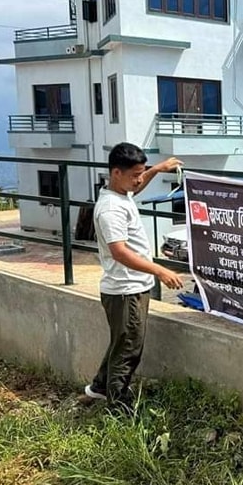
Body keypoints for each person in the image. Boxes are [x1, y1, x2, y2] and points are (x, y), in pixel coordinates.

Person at [84, 143, 185, 408]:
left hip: (128, 286)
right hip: (126, 289)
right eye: (135, 174)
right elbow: (120, 252)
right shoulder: (110, 210)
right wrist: (160, 270)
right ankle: (119, 407)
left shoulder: (120, 193)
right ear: (116, 173)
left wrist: (158, 169)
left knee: (121, 342)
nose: (139, 179)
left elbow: (137, 187)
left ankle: (98, 387)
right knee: (129, 350)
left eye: (142, 172)